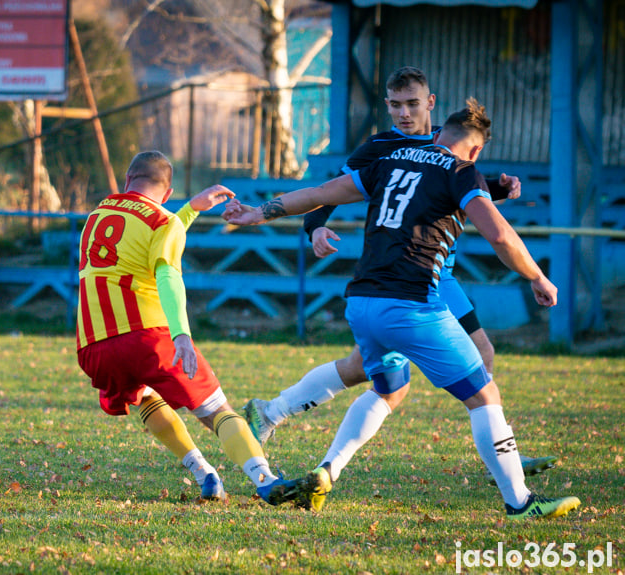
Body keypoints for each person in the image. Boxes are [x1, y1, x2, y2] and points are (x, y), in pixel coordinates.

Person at [223, 100, 580, 519]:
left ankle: (326, 469)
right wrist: (538, 276)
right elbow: (499, 235)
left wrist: (256, 213)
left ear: (437, 133)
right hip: (412, 304)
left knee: (389, 388)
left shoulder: (391, 159)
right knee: (484, 394)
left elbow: (321, 193)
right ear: (476, 150)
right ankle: (520, 502)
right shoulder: (462, 171)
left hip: (361, 302)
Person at [77, 150, 311, 506]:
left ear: (127, 180)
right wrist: (181, 335)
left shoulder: (99, 213)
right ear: (167, 193)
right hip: (146, 336)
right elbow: (167, 272)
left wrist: (192, 209)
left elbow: (146, 236)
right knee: (217, 410)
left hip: (94, 345)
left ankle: (206, 474)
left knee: (145, 398)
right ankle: (265, 480)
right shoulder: (163, 221)